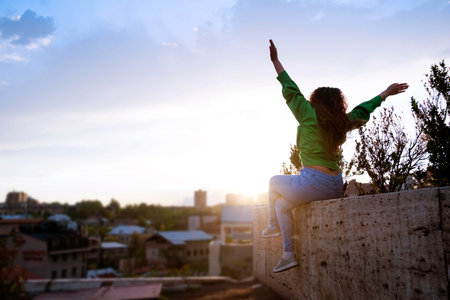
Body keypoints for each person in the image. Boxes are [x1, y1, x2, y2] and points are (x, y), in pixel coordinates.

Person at [263, 40, 408, 273]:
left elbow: (290, 89)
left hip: (311, 182)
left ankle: (271, 227)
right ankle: (288, 255)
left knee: (272, 182)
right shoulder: (341, 123)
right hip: (334, 185)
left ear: (315, 102)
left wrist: (275, 61)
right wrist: (385, 94)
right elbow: (363, 109)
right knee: (282, 205)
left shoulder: (306, 113)